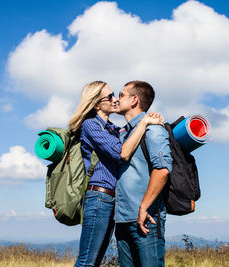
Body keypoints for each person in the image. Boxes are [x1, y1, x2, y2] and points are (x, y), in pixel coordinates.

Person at [69, 81, 164, 267]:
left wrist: (147, 119)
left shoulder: (113, 128)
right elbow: (122, 153)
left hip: (112, 201)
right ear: (96, 103)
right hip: (99, 197)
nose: (115, 100)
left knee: (95, 260)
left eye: (115, 95)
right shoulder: (91, 125)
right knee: (87, 260)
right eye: (110, 96)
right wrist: (144, 121)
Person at [114, 81, 173, 267]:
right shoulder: (124, 134)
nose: (116, 99)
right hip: (122, 219)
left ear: (134, 100)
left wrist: (143, 208)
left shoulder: (153, 129)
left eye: (121, 94)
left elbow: (162, 170)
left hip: (146, 219)